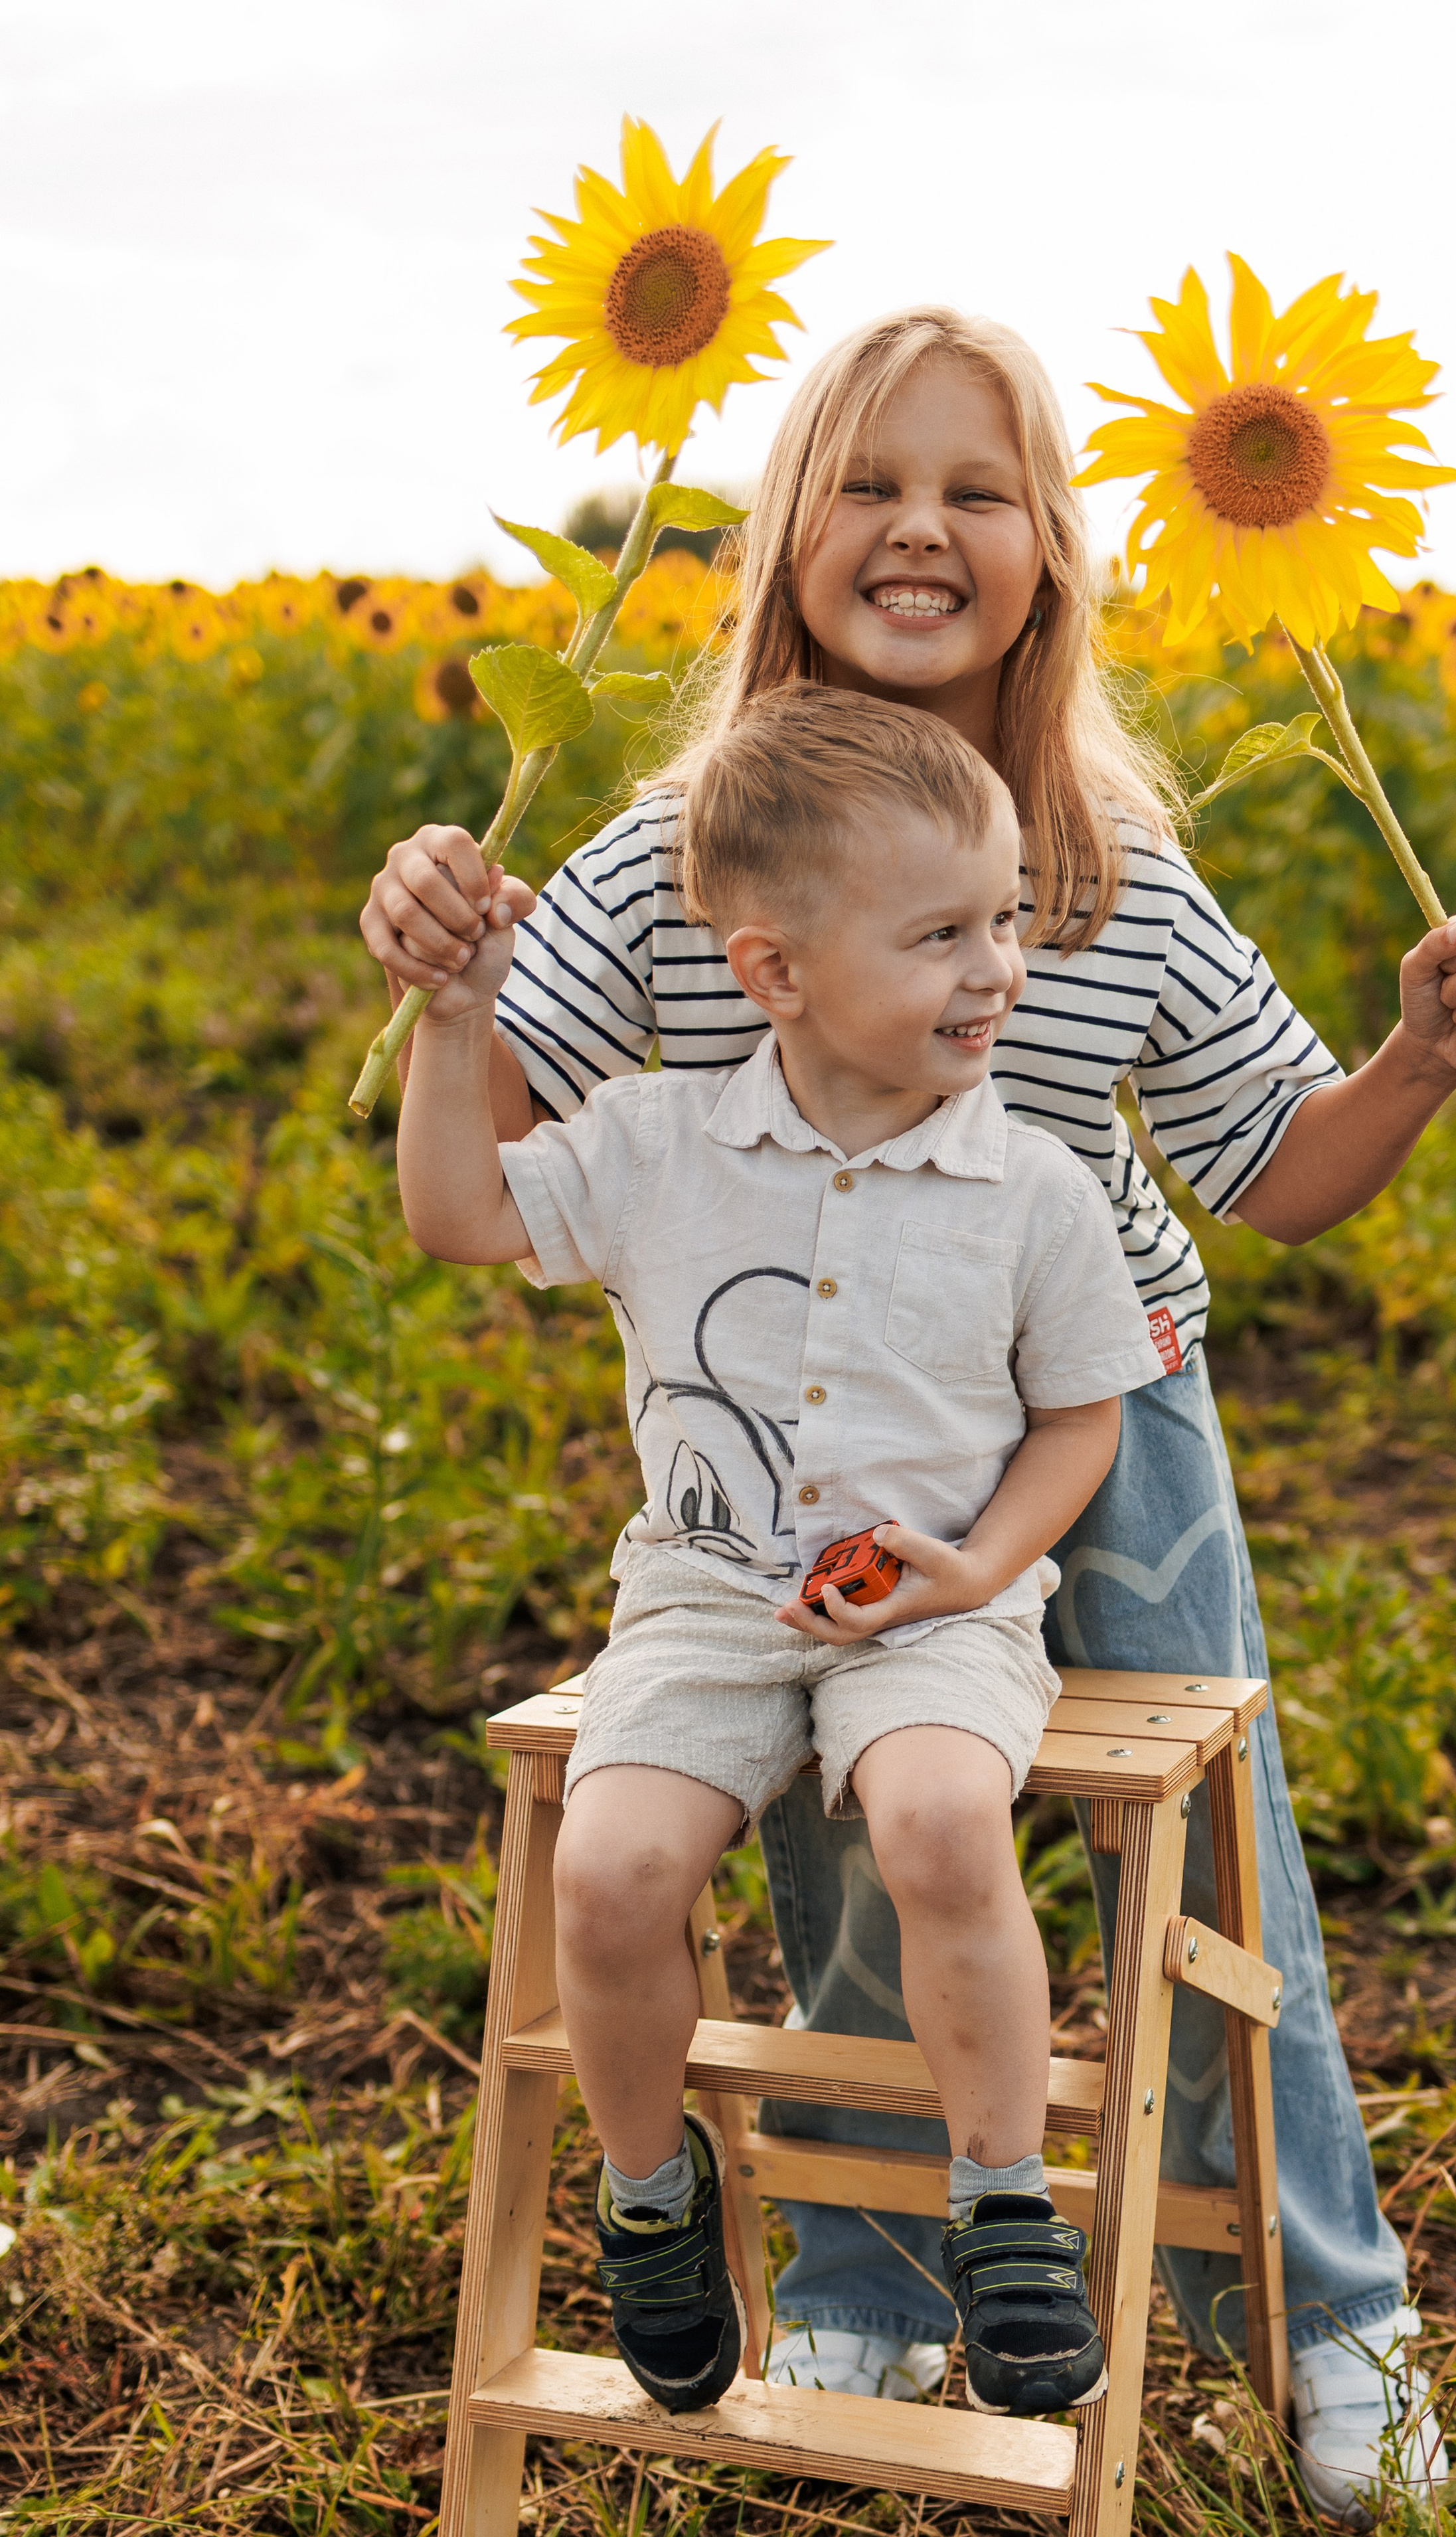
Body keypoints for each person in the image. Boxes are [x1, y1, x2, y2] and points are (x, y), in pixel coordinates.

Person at [361, 307, 1456, 2522]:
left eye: (976, 491)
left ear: (1052, 552)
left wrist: (1420, 1060)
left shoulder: (1106, 870)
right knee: (852, 1835)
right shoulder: (686, 851)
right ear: (787, 539)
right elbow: (495, 1108)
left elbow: (1280, 1169)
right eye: (868, 486)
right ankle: (882, 2279)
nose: (919, 530)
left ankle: (1327, 2307)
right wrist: (432, 938)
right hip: (823, 1444)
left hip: (1108, 1411)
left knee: (1220, 1882)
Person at [394, 684, 1168, 2419]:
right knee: (609, 1877)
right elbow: (457, 1215)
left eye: (1005, 923)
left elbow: (1081, 1423)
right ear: (775, 974)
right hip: (702, 1599)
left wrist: (984, 1570)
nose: (995, 971)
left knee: (945, 1822)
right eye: (941, 935)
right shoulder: (662, 1143)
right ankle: (656, 2201)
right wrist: (453, 1025)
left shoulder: (1035, 1188)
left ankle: (1000, 2206)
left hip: (929, 1606)